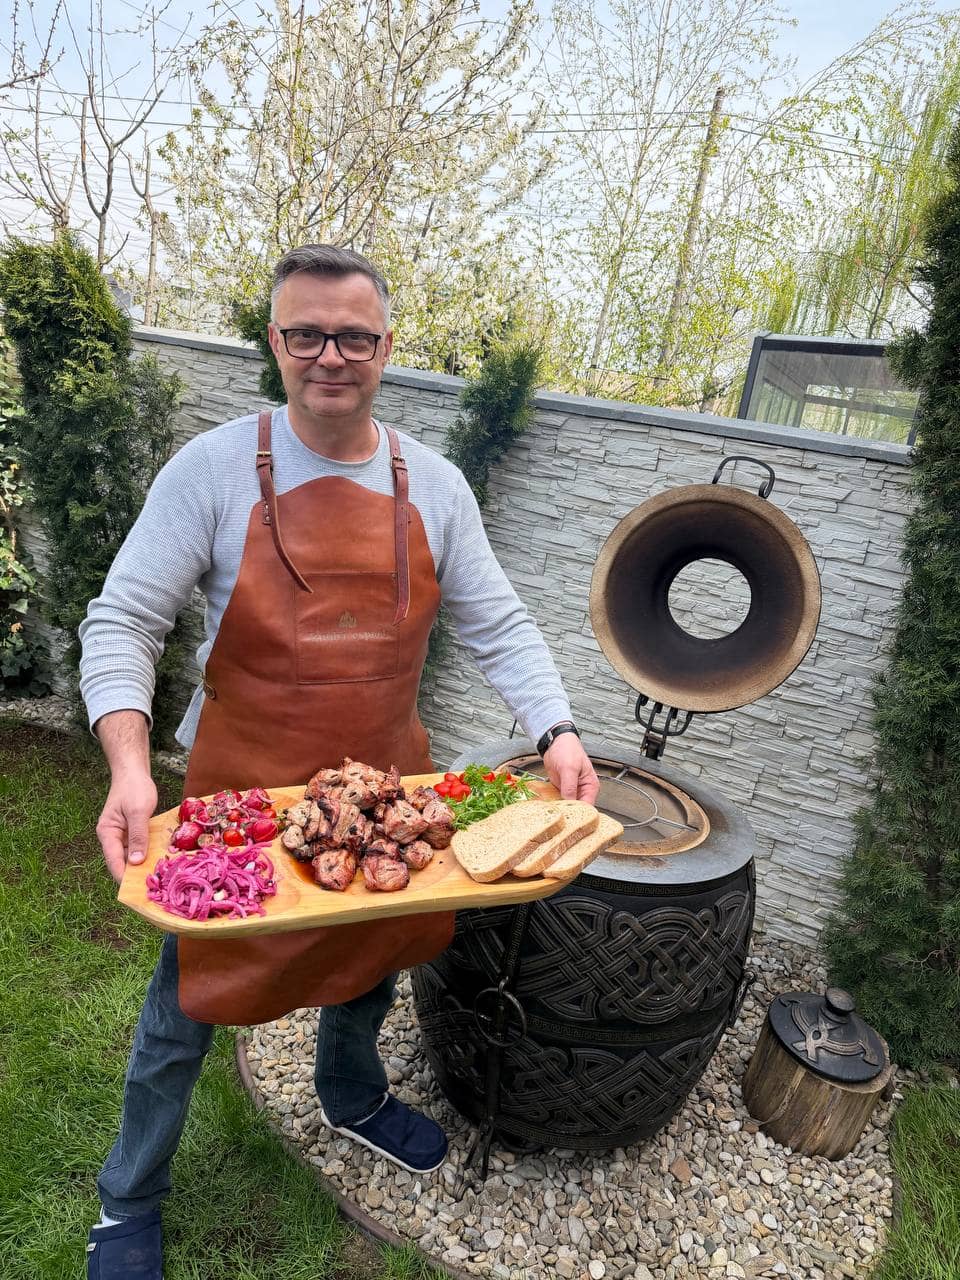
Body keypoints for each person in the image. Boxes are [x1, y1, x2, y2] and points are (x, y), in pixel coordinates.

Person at [80, 243, 599, 1279]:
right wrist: (130, 765)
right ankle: (127, 1199)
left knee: (371, 963)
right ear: (276, 343)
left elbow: (497, 621)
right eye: (307, 333)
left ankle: (350, 1095)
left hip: (386, 794)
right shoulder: (212, 469)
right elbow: (124, 619)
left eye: (353, 336)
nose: (330, 355)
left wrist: (557, 728)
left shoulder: (435, 485)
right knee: (186, 1005)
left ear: (385, 348)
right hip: (242, 798)